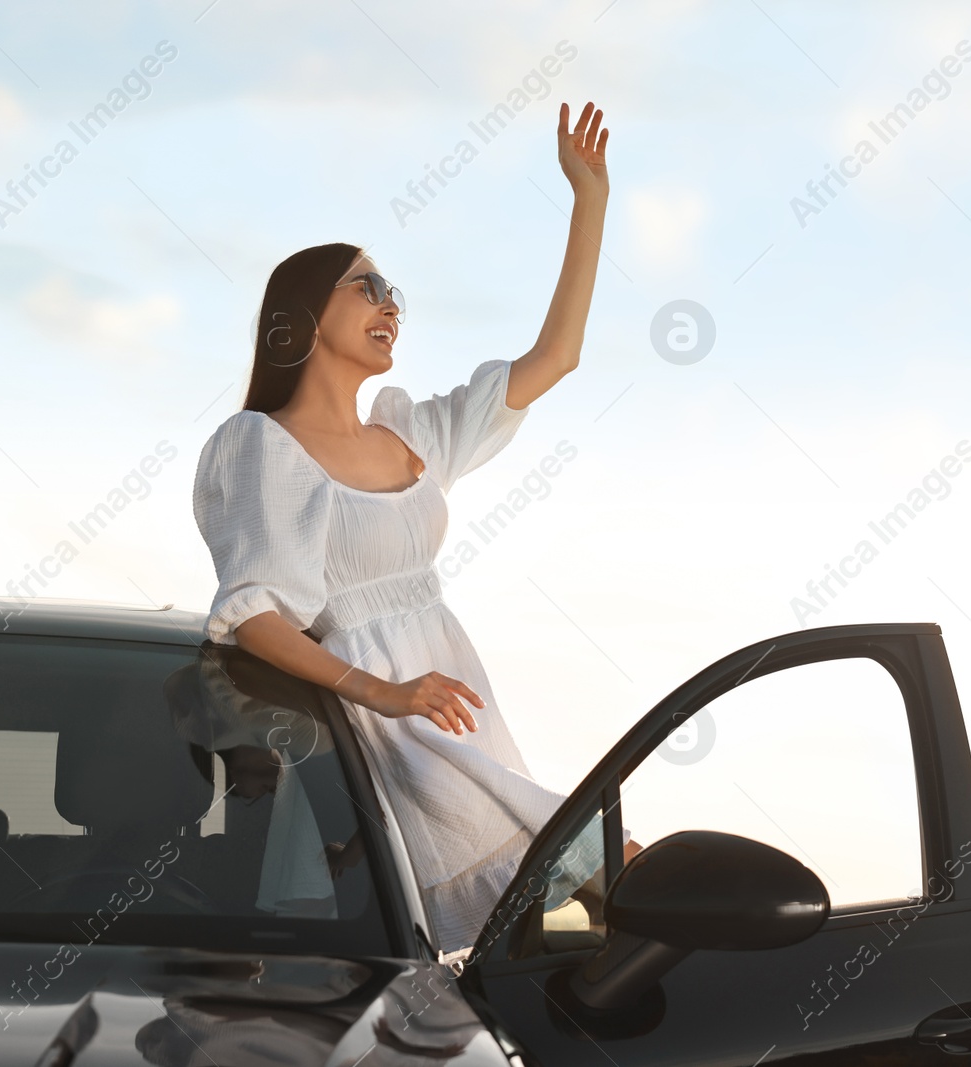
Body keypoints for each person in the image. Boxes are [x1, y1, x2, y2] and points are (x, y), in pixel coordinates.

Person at [192, 102, 638, 957]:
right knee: (589, 864)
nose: (389, 303)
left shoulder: (412, 433)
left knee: (566, 896)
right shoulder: (259, 446)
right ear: (303, 316)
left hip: (459, 711)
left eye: (394, 291)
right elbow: (253, 616)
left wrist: (590, 203)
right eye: (366, 285)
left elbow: (556, 358)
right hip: (377, 728)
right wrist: (386, 695)